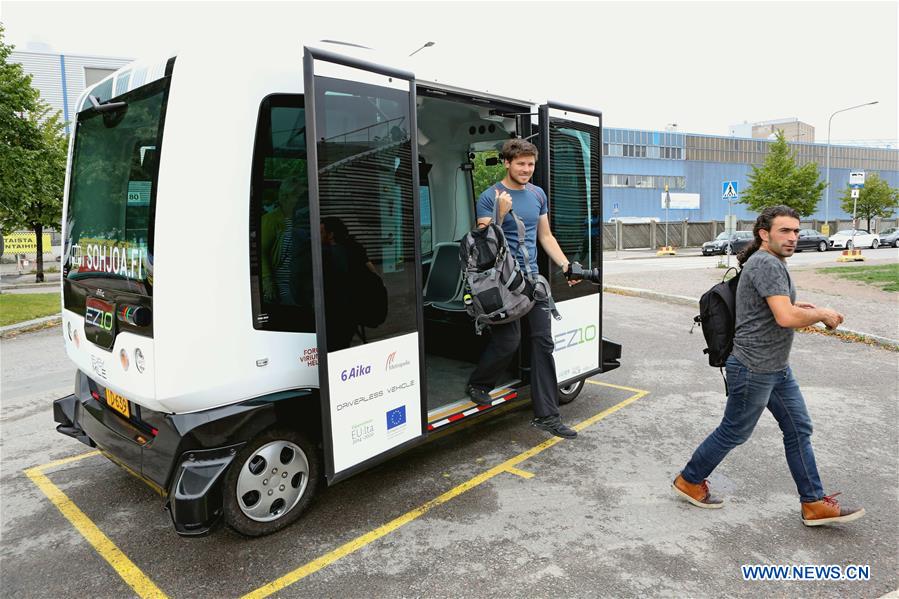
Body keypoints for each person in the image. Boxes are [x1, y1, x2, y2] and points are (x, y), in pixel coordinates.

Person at [673, 205, 865, 526]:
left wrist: (797, 305)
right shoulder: (766, 263)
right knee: (734, 431)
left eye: (796, 231)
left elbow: (777, 308)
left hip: (775, 368)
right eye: (785, 231)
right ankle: (689, 480)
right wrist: (822, 313)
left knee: (798, 428)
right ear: (765, 234)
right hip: (754, 368)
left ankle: (814, 503)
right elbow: (785, 317)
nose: (793, 238)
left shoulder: (769, 261)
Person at [466, 138, 579, 440]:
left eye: (530, 164)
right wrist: (501, 214)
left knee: (543, 344)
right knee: (509, 341)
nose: (527, 169)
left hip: (532, 280)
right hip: (502, 283)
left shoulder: (537, 194)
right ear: (506, 163)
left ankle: (548, 416)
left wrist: (565, 265)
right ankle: (479, 383)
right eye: (520, 164)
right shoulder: (490, 197)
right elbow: (487, 245)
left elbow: (545, 236)